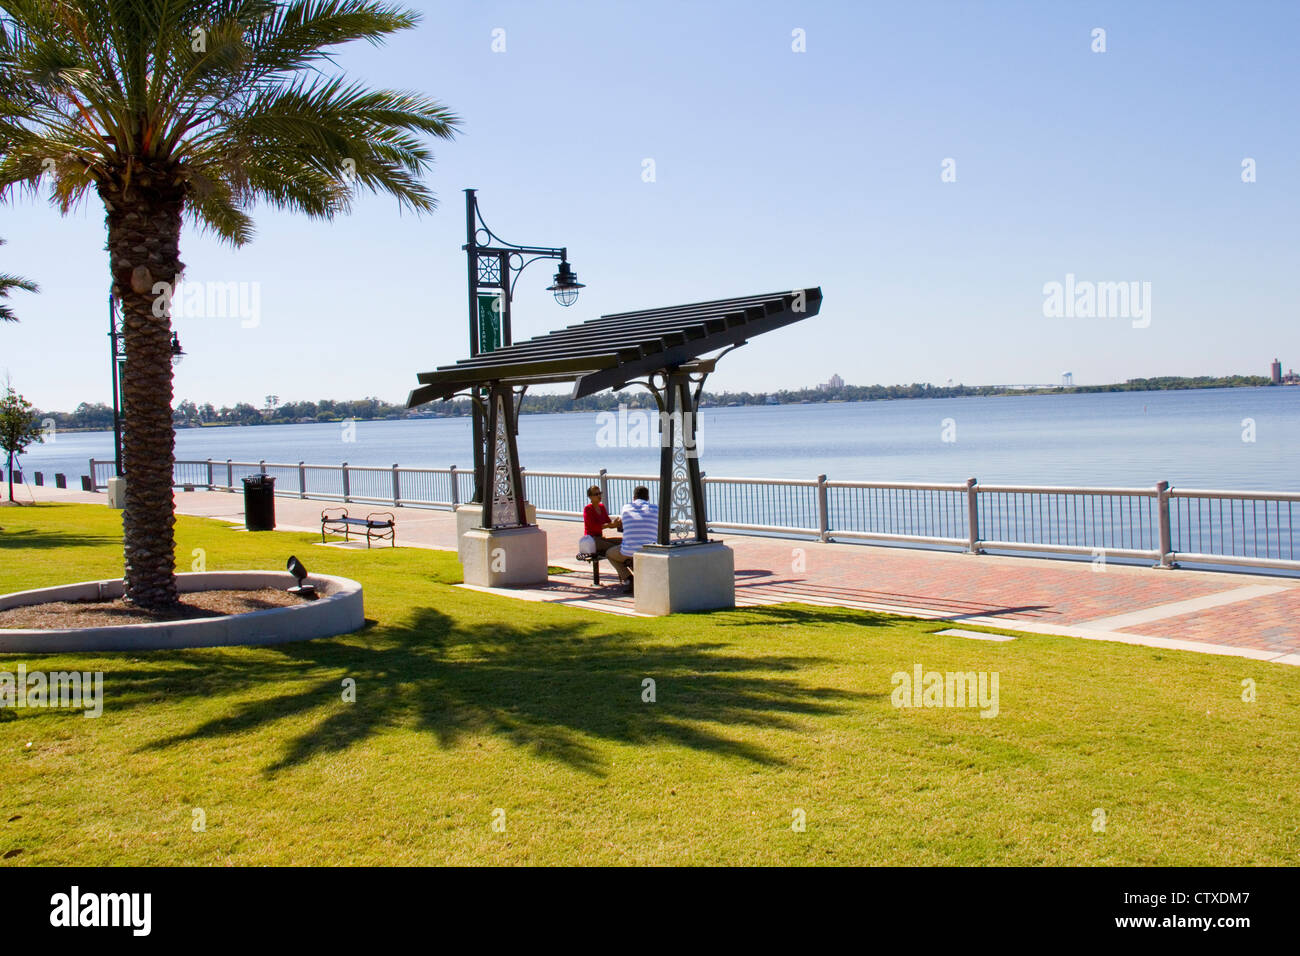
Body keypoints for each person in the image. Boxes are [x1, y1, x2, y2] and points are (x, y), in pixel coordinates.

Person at [605, 486, 657, 594]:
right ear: (648, 497)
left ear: (634, 497)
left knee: (610, 553)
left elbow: (622, 525)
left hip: (628, 551)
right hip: (650, 550)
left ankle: (629, 579)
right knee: (637, 550)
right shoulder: (656, 508)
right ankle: (640, 579)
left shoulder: (626, 507)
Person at [582, 486, 620, 557]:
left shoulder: (602, 507)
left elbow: (608, 522)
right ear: (590, 497)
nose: (599, 496)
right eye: (596, 494)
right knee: (614, 547)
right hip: (591, 540)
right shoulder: (588, 509)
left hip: (600, 538)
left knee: (622, 542)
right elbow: (593, 527)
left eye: (600, 493)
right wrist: (609, 525)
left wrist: (616, 523)